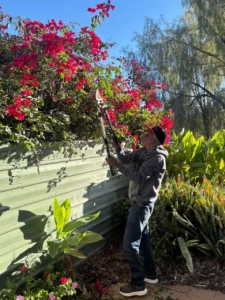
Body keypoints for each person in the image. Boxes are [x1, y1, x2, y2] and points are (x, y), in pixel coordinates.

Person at [106, 125, 168, 297]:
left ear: (155, 139)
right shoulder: (143, 151)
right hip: (141, 203)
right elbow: (126, 159)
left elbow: (139, 177)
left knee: (129, 243)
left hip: (141, 205)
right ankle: (150, 275)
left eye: (147, 133)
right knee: (144, 241)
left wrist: (117, 165)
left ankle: (137, 284)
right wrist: (119, 150)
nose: (143, 134)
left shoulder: (157, 158)